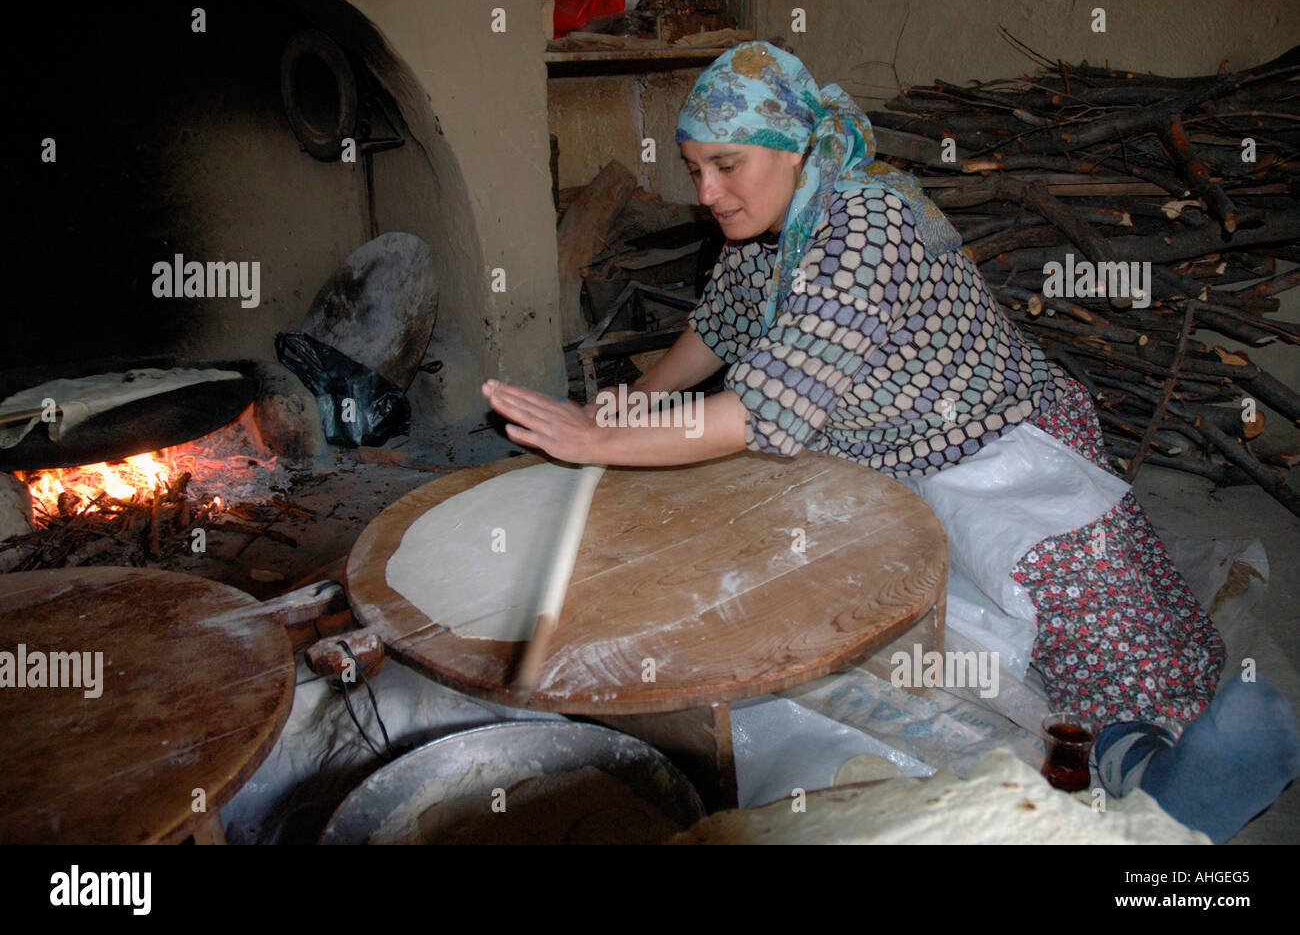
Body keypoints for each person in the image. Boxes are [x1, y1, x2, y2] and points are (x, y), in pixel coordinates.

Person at [482, 41, 1299, 842]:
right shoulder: (763, 231)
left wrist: (599, 440)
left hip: (998, 450)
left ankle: (1153, 769)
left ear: (794, 144)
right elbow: (718, 328)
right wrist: (635, 404)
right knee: (896, 630)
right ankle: (1125, 759)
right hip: (874, 458)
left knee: (1094, 616)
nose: (708, 191)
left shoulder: (868, 225)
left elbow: (755, 414)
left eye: (726, 165)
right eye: (695, 170)